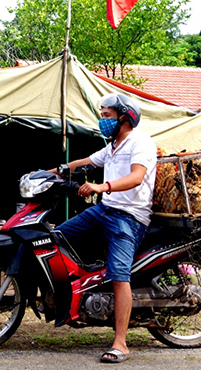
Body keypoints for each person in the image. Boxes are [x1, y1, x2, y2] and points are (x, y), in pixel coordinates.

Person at [51, 93, 156, 364]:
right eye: (102, 114)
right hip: (104, 210)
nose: (102, 120)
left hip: (129, 216)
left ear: (125, 117)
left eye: (107, 115)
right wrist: (52, 171)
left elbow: (136, 177)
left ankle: (121, 342)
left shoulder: (140, 142)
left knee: (120, 275)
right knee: (56, 237)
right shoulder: (111, 146)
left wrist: (102, 186)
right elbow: (87, 161)